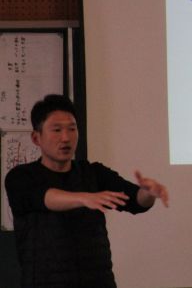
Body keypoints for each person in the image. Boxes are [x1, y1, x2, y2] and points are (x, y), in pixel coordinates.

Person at [4, 94, 169, 288]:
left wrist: (148, 193)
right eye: (56, 130)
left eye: (72, 129)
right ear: (36, 138)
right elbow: (44, 197)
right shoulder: (21, 177)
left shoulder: (94, 173)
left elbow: (135, 201)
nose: (66, 137)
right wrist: (83, 198)